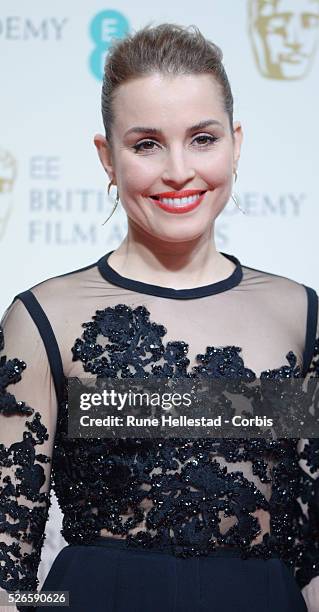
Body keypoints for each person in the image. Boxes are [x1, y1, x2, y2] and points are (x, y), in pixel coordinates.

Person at [0, 22, 318, 612]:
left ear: (236, 143)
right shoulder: (45, 318)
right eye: (146, 143)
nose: (178, 170)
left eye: (202, 138)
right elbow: (7, 563)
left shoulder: (302, 317)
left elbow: (312, 558)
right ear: (108, 156)